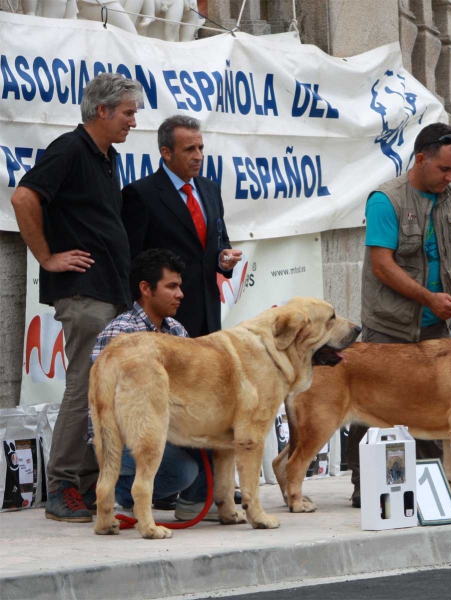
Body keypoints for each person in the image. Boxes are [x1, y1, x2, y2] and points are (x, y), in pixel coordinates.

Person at [11, 73, 143, 523]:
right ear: (102, 111)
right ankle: (63, 484)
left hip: (111, 291)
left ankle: (87, 487)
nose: (133, 122)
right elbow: (24, 197)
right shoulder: (69, 149)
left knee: (104, 391)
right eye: (127, 113)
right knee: (86, 386)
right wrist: (47, 257)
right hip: (85, 295)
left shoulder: (107, 158)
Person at [348, 123, 451, 508]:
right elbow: (382, 266)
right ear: (421, 160)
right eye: (444, 169)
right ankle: (365, 484)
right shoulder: (385, 200)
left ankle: (428, 484)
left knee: (433, 403)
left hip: (435, 326)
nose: (450, 177)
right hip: (389, 324)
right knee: (373, 405)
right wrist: (428, 299)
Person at [121, 115, 242, 519]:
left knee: (209, 402)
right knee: (175, 407)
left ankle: (206, 493)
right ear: (166, 152)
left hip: (207, 316)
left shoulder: (209, 189)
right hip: (165, 328)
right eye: (189, 149)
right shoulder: (140, 195)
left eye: (201, 148)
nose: (198, 156)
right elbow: (134, 264)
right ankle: (169, 488)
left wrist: (224, 259)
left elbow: (217, 241)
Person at [90, 249, 219, 514]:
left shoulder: (176, 330)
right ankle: (126, 493)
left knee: (221, 434)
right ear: (145, 288)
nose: (180, 294)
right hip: (122, 437)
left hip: (166, 428)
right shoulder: (121, 330)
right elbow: (102, 401)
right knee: (183, 471)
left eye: (180, 286)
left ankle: (201, 502)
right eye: (171, 286)